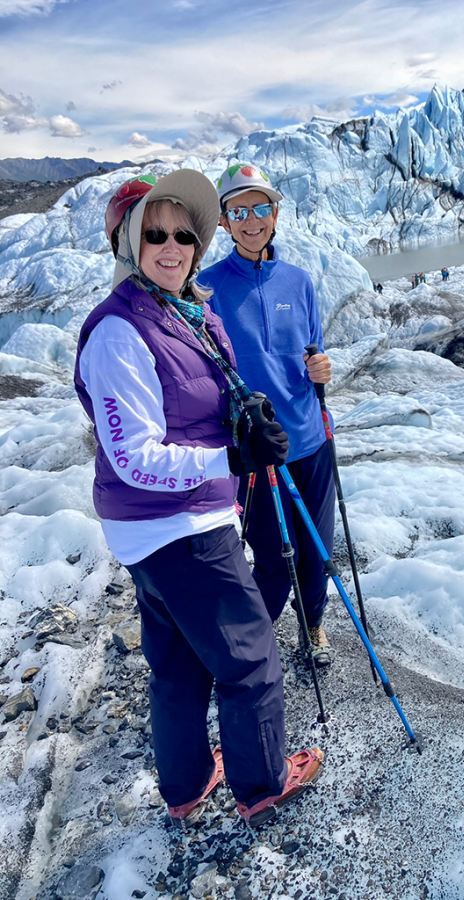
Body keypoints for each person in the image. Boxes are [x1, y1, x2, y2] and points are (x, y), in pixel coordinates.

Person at [73, 170, 323, 828]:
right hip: (179, 526)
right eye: (153, 233)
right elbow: (133, 458)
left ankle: (185, 787)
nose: (172, 244)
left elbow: (201, 404)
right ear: (127, 244)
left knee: (180, 667)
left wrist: (244, 423)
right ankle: (262, 784)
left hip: (162, 530)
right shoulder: (121, 331)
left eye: (184, 233)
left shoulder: (182, 314)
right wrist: (231, 456)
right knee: (251, 661)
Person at [200, 163, 335, 668]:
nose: (251, 219)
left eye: (260, 207)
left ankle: (313, 625)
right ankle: (254, 642)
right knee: (276, 558)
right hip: (255, 449)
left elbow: (311, 352)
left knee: (317, 550)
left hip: (309, 438)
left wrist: (320, 368)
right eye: (239, 210)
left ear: (275, 214)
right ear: (224, 222)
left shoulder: (299, 283)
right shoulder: (207, 288)